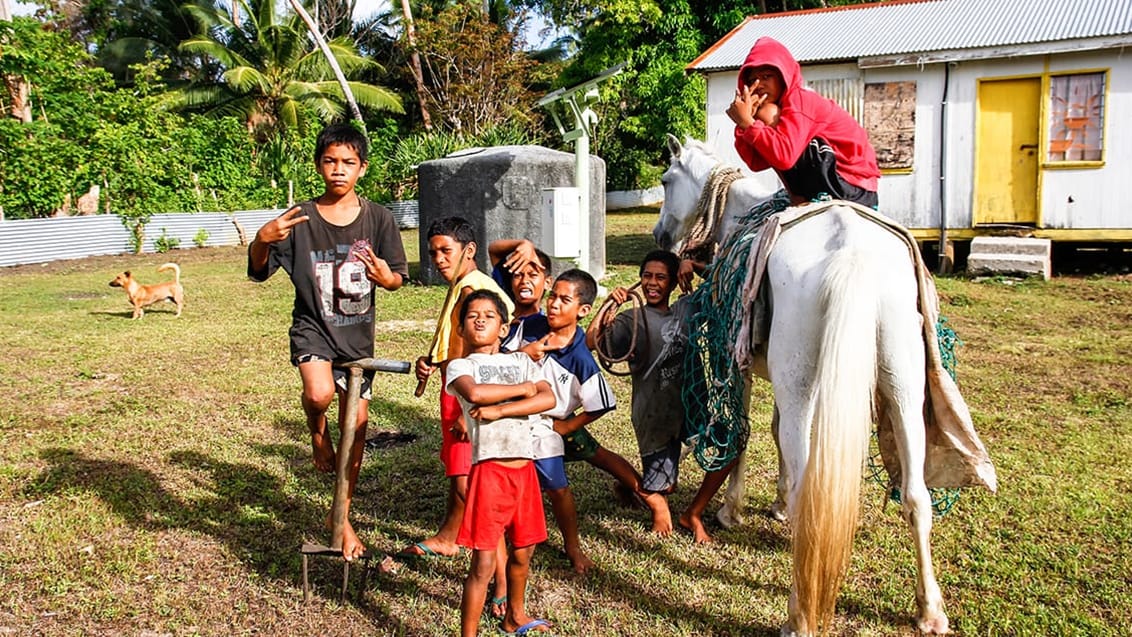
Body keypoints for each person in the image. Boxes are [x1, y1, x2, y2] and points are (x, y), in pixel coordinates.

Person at [247, 122, 409, 561]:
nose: (339, 170)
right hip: (313, 327)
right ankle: (317, 431)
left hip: (358, 339)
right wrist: (262, 240)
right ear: (319, 165)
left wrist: (385, 278)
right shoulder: (298, 218)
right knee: (318, 393)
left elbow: (396, 277)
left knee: (355, 430)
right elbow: (260, 271)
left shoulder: (379, 219)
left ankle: (342, 517)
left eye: (348, 163)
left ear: (363, 168)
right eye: (330, 161)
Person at [587, 250, 738, 544]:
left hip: (692, 406)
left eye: (660, 277)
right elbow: (592, 341)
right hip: (654, 415)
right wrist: (607, 308)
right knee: (664, 489)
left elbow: (727, 283)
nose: (652, 283)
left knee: (729, 446)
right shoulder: (632, 318)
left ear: (673, 282)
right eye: (647, 276)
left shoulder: (689, 308)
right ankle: (636, 489)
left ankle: (692, 513)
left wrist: (692, 265)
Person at [447, 289, 555, 636]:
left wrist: (501, 409)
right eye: (471, 315)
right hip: (489, 471)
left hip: (524, 469)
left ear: (504, 328)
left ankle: (515, 615)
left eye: (489, 316)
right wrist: (524, 390)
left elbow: (548, 397)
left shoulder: (521, 361)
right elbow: (475, 394)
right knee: (483, 563)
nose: (480, 319)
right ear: (461, 328)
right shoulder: (461, 366)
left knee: (523, 553)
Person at [727, 36, 880, 209]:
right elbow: (756, 162)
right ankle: (799, 196)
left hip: (851, 184)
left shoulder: (800, 101)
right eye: (751, 80)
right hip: (837, 180)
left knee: (769, 118)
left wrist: (748, 123)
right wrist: (744, 124)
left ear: (784, 77)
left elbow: (784, 157)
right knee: (770, 133)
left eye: (766, 76)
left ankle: (799, 197)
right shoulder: (776, 110)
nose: (759, 84)